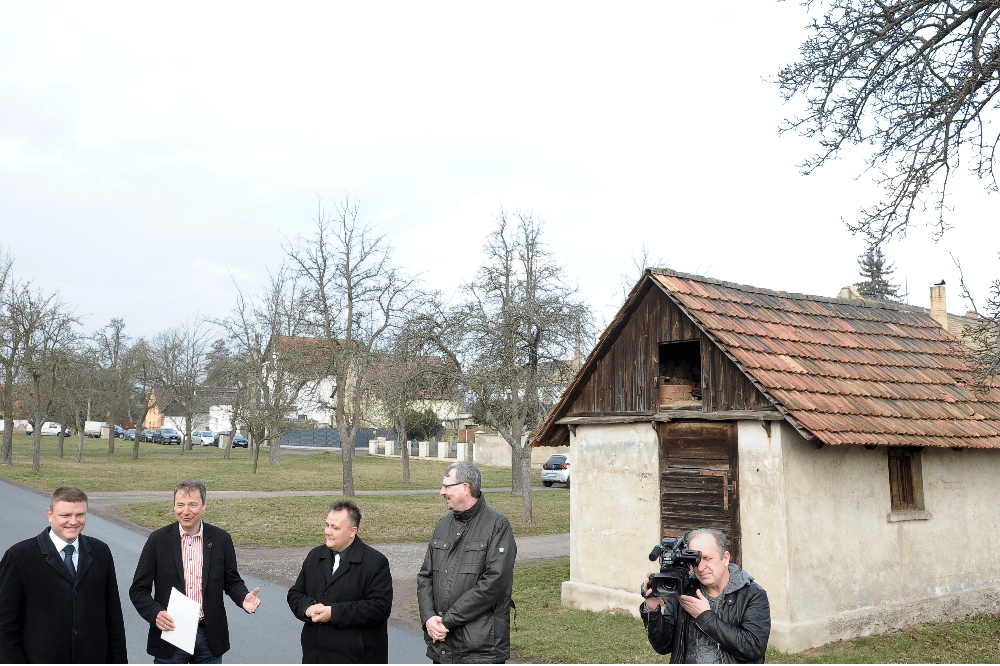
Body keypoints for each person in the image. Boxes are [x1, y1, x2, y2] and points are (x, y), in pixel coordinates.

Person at [130, 479, 261, 663]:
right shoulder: (158, 540)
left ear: (204, 505)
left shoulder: (221, 539)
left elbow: (231, 581)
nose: (186, 511)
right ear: (174, 505)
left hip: (209, 637)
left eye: (193, 505)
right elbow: (138, 590)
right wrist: (155, 614)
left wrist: (242, 597)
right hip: (171, 635)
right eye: (180, 505)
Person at [0, 485, 127, 663]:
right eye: (66, 515)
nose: (73, 522)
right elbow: (4, 626)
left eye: (80, 515)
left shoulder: (101, 552)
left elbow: (113, 617)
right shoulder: (19, 556)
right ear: (49, 514)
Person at [417, 461, 517, 664]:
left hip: (480, 649)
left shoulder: (498, 526)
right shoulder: (443, 524)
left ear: (466, 487)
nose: (441, 492)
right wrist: (429, 618)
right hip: (442, 646)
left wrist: (448, 620)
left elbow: (494, 583)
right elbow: (425, 576)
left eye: (447, 486)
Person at [640, 528, 771, 663]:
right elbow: (663, 646)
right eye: (696, 560)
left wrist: (705, 617)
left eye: (708, 559)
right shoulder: (683, 590)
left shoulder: (753, 594)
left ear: (725, 558)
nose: (701, 568)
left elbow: (754, 648)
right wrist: (652, 611)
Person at [286, 500, 393, 663]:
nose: (328, 531)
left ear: (353, 531)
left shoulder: (375, 562)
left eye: (335, 528)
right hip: (316, 656)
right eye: (327, 525)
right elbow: (295, 594)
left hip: (356, 657)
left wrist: (334, 613)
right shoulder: (315, 556)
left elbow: (379, 607)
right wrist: (307, 607)